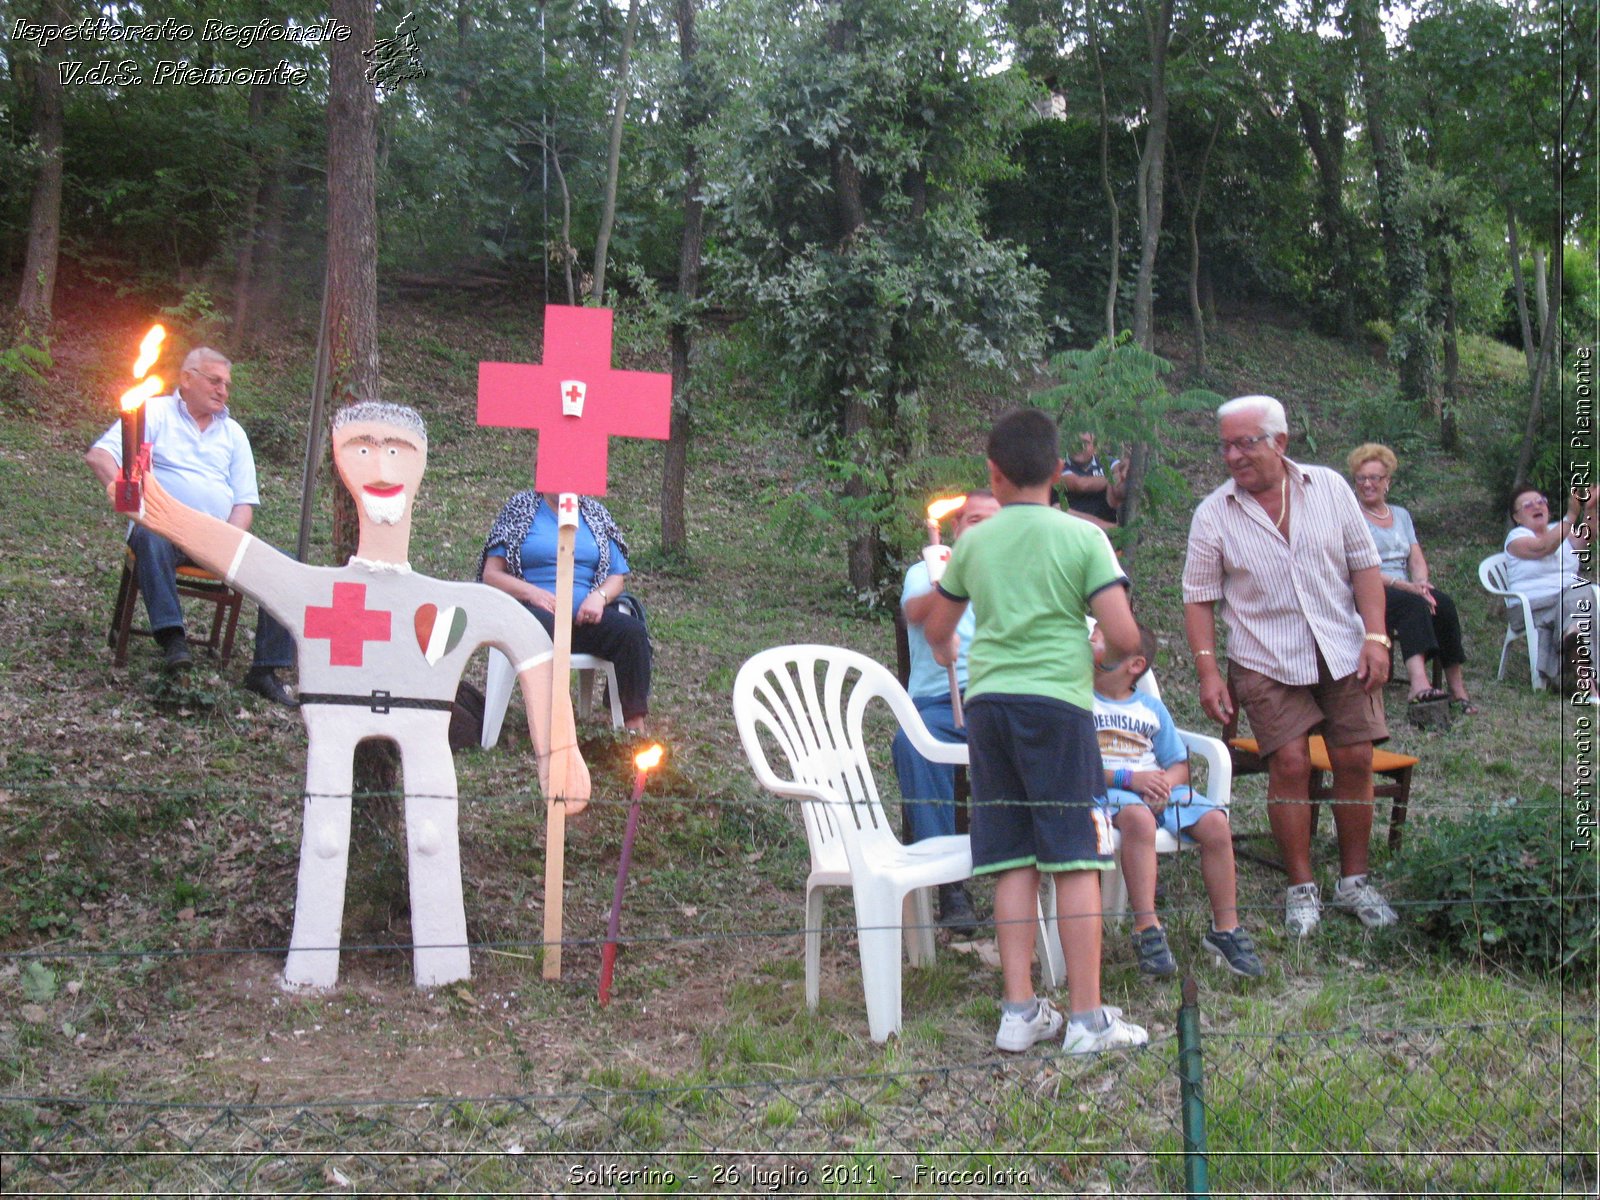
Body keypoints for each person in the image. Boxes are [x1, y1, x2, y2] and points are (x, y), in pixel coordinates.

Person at [111, 401, 590, 990]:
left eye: (398, 450)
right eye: (362, 447)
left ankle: (443, 969)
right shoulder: (317, 593)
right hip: (334, 724)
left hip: (425, 732)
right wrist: (156, 506)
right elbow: (238, 556)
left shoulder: (451, 606)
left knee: (435, 837)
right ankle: (311, 967)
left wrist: (559, 749)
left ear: (420, 467)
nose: (381, 463)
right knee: (327, 838)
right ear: (341, 463)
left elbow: (531, 641)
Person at [925, 407, 1148, 1056]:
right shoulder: (1083, 539)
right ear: (1058, 470)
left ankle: (1019, 1010)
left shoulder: (973, 542)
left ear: (992, 475)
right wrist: (1105, 650)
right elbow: (1126, 635)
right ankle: (1086, 1019)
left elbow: (939, 632)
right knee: (1074, 854)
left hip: (989, 707)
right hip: (1056, 704)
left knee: (1010, 856)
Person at [1183, 394, 1397, 939]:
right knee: (1292, 764)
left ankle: (1354, 881)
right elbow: (1198, 598)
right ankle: (1302, 889)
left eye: (1245, 442)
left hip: (1340, 646)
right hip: (1264, 657)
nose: (1233, 455)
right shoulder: (1214, 513)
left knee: (1353, 756)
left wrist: (1376, 636)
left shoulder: (1328, 488)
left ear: (1280, 441)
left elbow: (1365, 567)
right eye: (1226, 445)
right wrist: (1209, 672)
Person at [85, 347, 296, 705]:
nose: (223, 391)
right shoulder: (152, 411)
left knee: (284, 566)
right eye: (214, 381)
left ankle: (265, 670)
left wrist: (228, 540)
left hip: (215, 537)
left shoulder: (234, 434)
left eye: (227, 385)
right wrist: (127, 496)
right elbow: (100, 455)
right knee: (149, 538)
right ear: (187, 378)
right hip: (162, 530)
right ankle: (173, 640)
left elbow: (244, 502)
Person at [1090, 621, 1263, 979]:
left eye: (1099, 636)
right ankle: (1147, 927)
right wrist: (1132, 780)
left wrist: (1163, 785)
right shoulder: (1080, 702)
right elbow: (1076, 760)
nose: (1089, 639)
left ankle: (1225, 929)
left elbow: (1179, 765)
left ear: (1134, 665)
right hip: (1110, 789)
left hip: (1158, 788)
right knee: (1137, 819)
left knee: (1216, 824)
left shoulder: (1151, 709)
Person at [892, 489, 1001, 935]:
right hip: (940, 702)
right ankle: (948, 882)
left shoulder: (1016, 573)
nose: (984, 528)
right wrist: (946, 592)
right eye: (973, 520)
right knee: (912, 746)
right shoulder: (930, 568)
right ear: (956, 530)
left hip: (999, 698)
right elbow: (914, 613)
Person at [478, 492, 651, 731]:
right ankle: (553, 720)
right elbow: (491, 575)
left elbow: (616, 577)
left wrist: (599, 598)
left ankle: (633, 726)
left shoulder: (595, 515)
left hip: (584, 619)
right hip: (534, 617)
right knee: (546, 626)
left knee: (631, 633)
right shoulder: (520, 510)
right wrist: (532, 593)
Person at [1347, 443, 1476, 714]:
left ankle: (1457, 689)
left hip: (1405, 587)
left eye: (1374, 478)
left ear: (1387, 482)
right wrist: (1406, 587)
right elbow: (1353, 567)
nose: (1367, 484)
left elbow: (1415, 556)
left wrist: (1421, 584)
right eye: (1361, 478)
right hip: (1368, 587)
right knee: (1412, 604)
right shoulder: (1351, 517)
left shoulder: (1401, 515)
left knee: (1443, 604)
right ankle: (1419, 685)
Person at [1503, 486, 1597, 700]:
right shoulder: (1516, 537)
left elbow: (1588, 537)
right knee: (1580, 593)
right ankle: (1589, 683)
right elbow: (1544, 547)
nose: (1537, 505)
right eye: (1528, 505)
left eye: (1541, 501)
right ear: (1517, 517)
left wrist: (1590, 508)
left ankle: (1573, 637)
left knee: (1579, 596)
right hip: (1533, 606)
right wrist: (1572, 515)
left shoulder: (1560, 529)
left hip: (1568, 602)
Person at [1057, 431, 1126, 530]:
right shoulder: (1059, 464)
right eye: (1075, 442)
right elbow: (1080, 484)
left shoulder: (1107, 462)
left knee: (1119, 486)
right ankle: (1116, 530)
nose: (1079, 446)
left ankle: (1126, 529)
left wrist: (1127, 467)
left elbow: (1123, 469)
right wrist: (1112, 478)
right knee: (1057, 508)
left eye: (1085, 443)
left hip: (1105, 517)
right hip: (1072, 525)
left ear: (1095, 448)